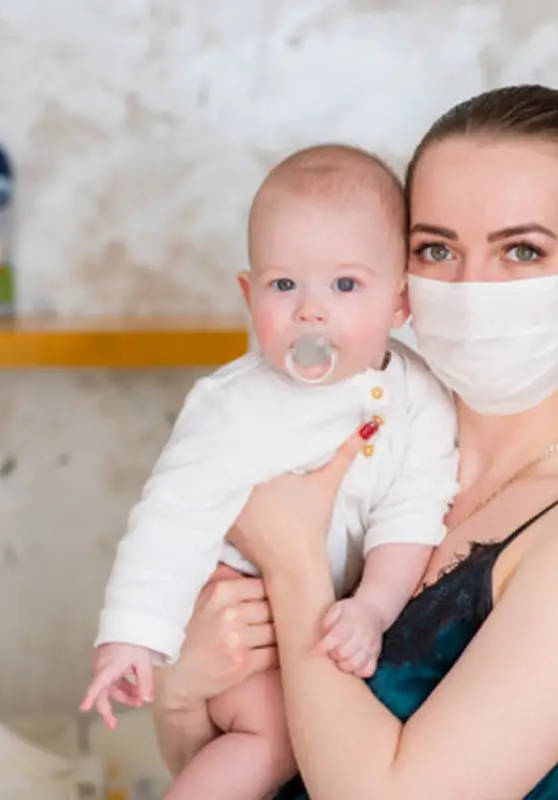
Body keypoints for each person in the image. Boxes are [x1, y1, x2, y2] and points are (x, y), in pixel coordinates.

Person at [152, 84, 558, 799]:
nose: (471, 287)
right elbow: (240, 764)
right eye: (436, 249)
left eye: (521, 251)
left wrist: (292, 564)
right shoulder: (371, 451)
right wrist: (180, 692)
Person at [82, 144, 460, 798]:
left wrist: (372, 608)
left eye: (345, 285)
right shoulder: (235, 405)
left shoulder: (420, 397)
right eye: (284, 285)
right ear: (248, 292)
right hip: (240, 631)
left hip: (317, 628)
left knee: (325, 731)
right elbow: (170, 520)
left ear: (400, 301)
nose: (310, 311)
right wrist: (131, 638)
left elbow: (412, 514)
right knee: (278, 735)